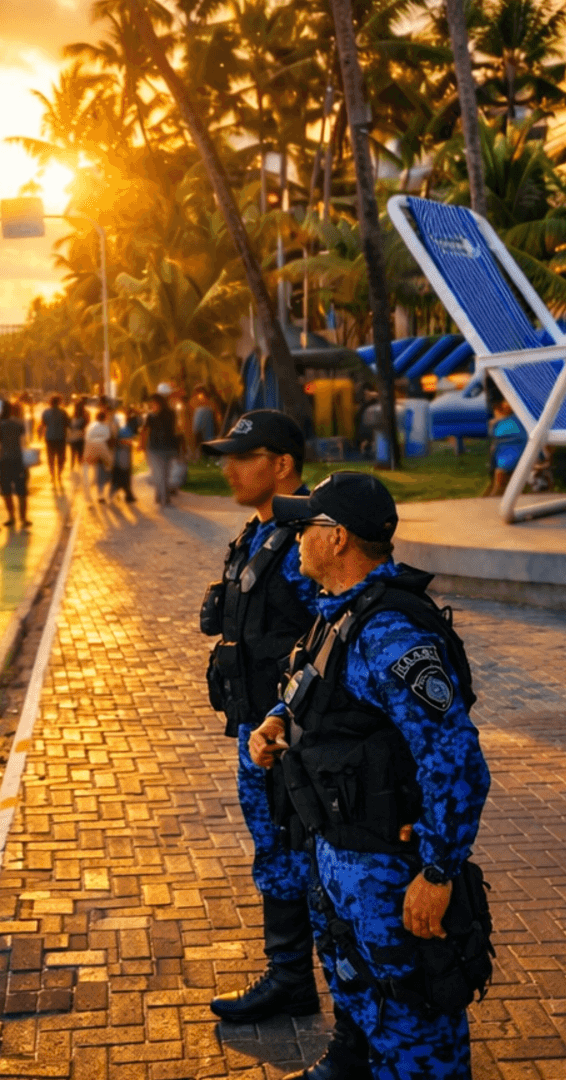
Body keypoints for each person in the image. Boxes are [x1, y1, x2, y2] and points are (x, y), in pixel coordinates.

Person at [250, 471, 491, 1080]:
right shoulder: (340, 614)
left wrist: (438, 872)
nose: (296, 538)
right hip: (339, 859)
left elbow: (455, 759)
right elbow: (325, 696)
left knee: (417, 1034)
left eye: (306, 526)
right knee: (365, 1011)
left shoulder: (391, 632)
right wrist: (278, 721)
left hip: (389, 871)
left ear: (337, 539)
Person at [197, 411, 367, 1072]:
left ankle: (351, 1026)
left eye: (245, 455)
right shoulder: (258, 534)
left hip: (294, 743)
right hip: (257, 734)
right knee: (275, 858)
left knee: (315, 871)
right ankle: (290, 979)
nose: (229, 467)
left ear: (284, 465)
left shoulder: (305, 542)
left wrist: (291, 720)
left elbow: (329, 634)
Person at [0, 400, 32, 528]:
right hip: (19, 460)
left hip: (3, 461)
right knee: (22, 492)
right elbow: (24, 442)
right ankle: (23, 518)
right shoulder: (19, 423)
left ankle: (11, 517)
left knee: (6, 491)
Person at [483, 394, 526, 498]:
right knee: (499, 473)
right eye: (504, 401)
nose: (505, 404)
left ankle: (497, 492)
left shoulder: (518, 420)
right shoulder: (501, 421)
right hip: (506, 451)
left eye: (507, 402)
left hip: (515, 450)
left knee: (500, 473)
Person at [144, 394, 182, 506]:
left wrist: (142, 446)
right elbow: (177, 429)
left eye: (152, 403)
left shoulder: (152, 416)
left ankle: (163, 497)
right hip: (167, 448)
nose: (151, 405)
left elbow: (145, 431)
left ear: (157, 403)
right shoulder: (172, 413)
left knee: (160, 474)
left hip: (157, 448)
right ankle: (161, 495)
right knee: (163, 473)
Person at [39, 395, 71, 491]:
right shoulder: (63, 412)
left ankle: (53, 475)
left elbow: (43, 424)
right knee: (61, 458)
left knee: (51, 457)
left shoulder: (46, 412)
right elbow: (68, 423)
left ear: (50, 402)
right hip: (61, 437)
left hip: (50, 437)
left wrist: (40, 434)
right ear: (59, 402)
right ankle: (59, 475)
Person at [84, 405, 114, 501]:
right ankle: (103, 490)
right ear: (104, 417)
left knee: (96, 470)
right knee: (109, 467)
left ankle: (96, 489)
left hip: (90, 448)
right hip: (102, 448)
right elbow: (108, 439)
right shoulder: (106, 426)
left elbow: (86, 437)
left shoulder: (90, 426)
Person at [111, 404, 139, 503]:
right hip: (122, 450)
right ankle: (127, 493)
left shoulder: (119, 422)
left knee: (122, 471)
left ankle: (125, 492)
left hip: (122, 450)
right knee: (124, 471)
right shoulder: (120, 423)